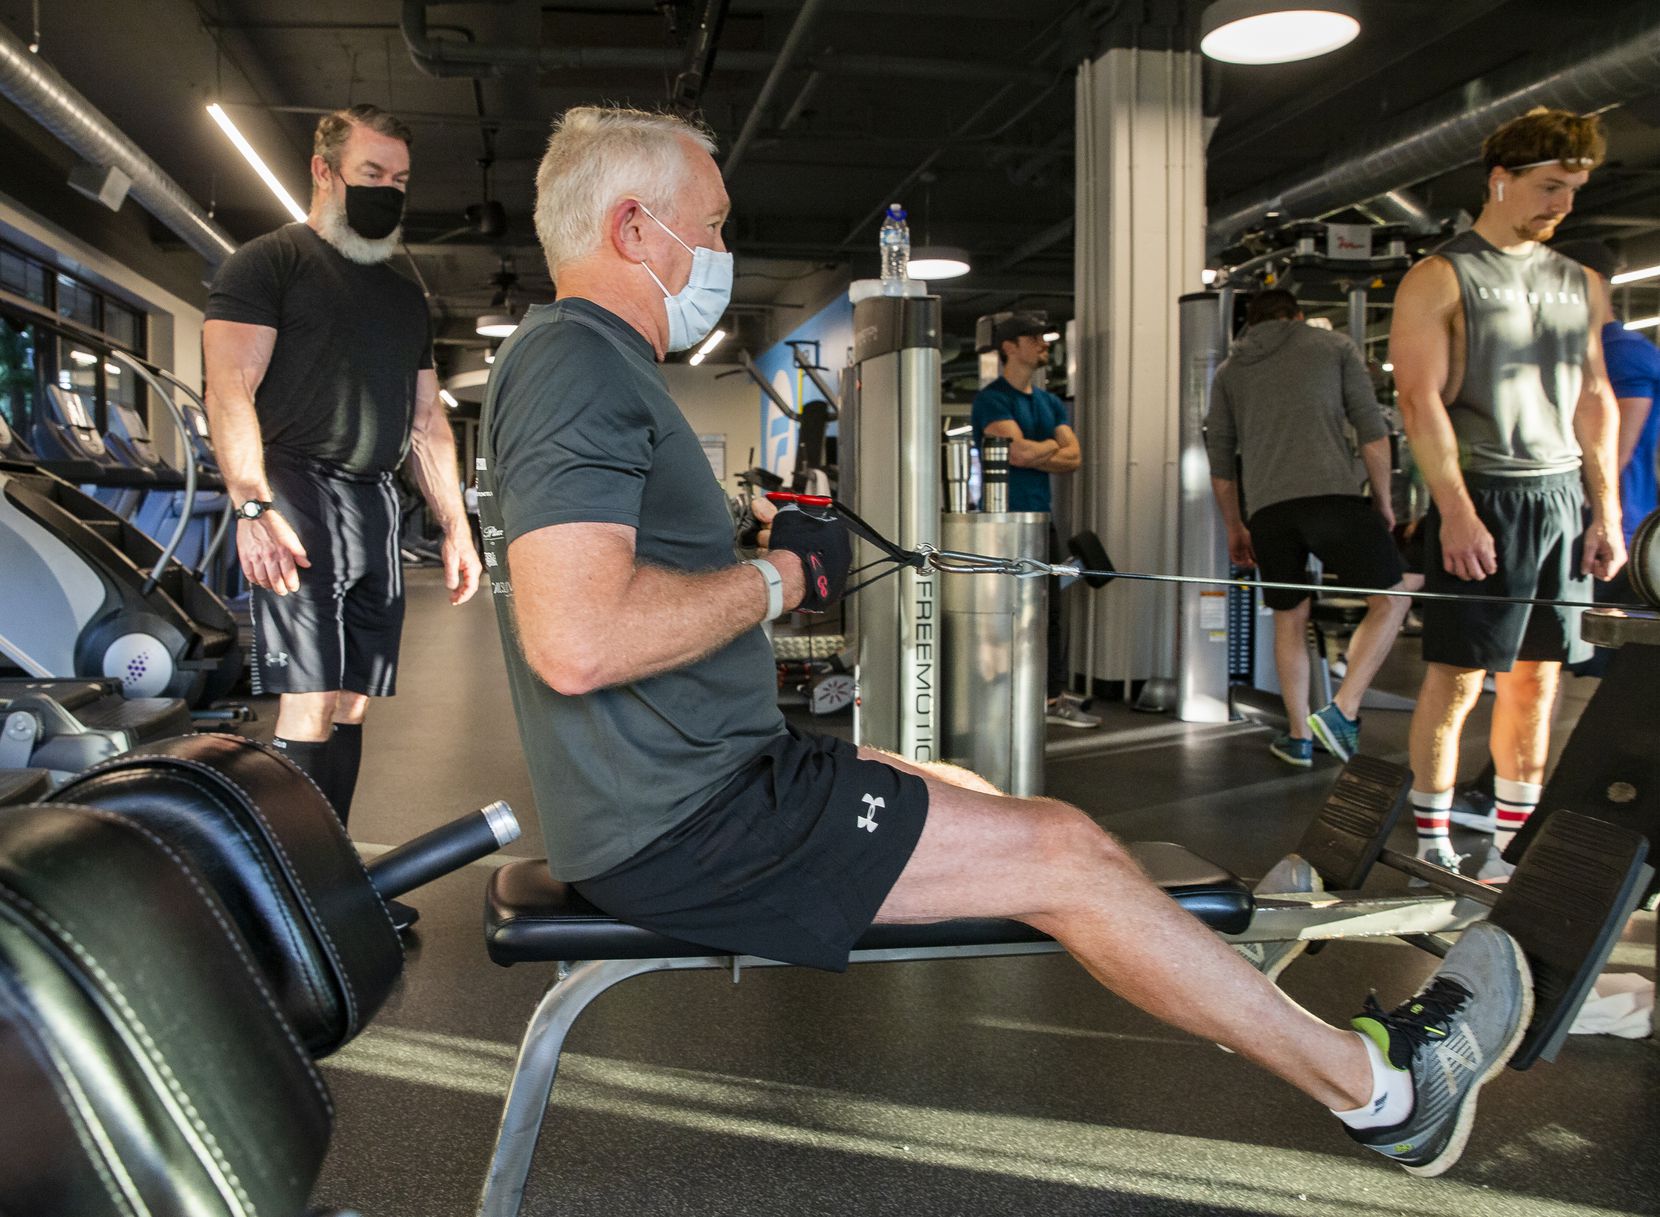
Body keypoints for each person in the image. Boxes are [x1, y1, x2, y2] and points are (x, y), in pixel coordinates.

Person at [474, 104, 1530, 1179]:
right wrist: (784, 573)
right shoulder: (577, 362)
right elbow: (579, 637)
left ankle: (1221, 977)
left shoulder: (589, 363)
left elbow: (615, 572)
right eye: (712, 224)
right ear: (636, 229)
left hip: (713, 779)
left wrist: (757, 539)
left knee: (966, 783)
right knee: (1061, 850)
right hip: (690, 823)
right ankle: (1389, 1090)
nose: (720, 250)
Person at [203, 104, 482, 930]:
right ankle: (284, 898)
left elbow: (428, 420)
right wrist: (250, 500)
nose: (389, 194)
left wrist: (457, 526)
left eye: (399, 181)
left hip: (371, 497)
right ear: (324, 171)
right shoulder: (267, 264)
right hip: (292, 487)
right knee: (308, 696)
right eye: (372, 176)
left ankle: (327, 881)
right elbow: (230, 391)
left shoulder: (402, 285)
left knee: (354, 698)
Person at [1389, 107, 1625, 885]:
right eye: (1550, 186)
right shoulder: (1440, 277)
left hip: (1559, 497)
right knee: (1456, 677)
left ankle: (1508, 850)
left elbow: (1595, 395)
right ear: (1502, 179)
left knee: (1538, 679)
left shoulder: (1581, 283)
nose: (1562, 203)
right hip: (1483, 492)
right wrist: (1454, 507)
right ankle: (1432, 839)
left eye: (1574, 189)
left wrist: (1606, 510)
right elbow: (1420, 404)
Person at [1206, 289, 1412, 767]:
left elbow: (1221, 466)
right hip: (1333, 499)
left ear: (1249, 324)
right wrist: (1382, 502)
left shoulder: (1230, 373)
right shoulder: (1334, 347)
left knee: (1289, 618)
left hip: (1270, 514)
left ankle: (1299, 737)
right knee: (1392, 598)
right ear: (1298, 316)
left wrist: (1237, 527)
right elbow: (1373, 433)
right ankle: (1343, 708)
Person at [970, 314, 1095, 728]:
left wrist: (1031, 447)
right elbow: (1018, 455)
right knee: (1003, 610)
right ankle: (999, 692)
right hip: (1002, 521)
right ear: (1009, 346)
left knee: (1050, 610)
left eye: (1045, 335)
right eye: (1034, 337)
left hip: (1042, 520)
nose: (1043, 343)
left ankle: (1050, 696)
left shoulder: (1049, 402)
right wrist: (1045, 448)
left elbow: (1073, 458)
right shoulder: (992, 399)